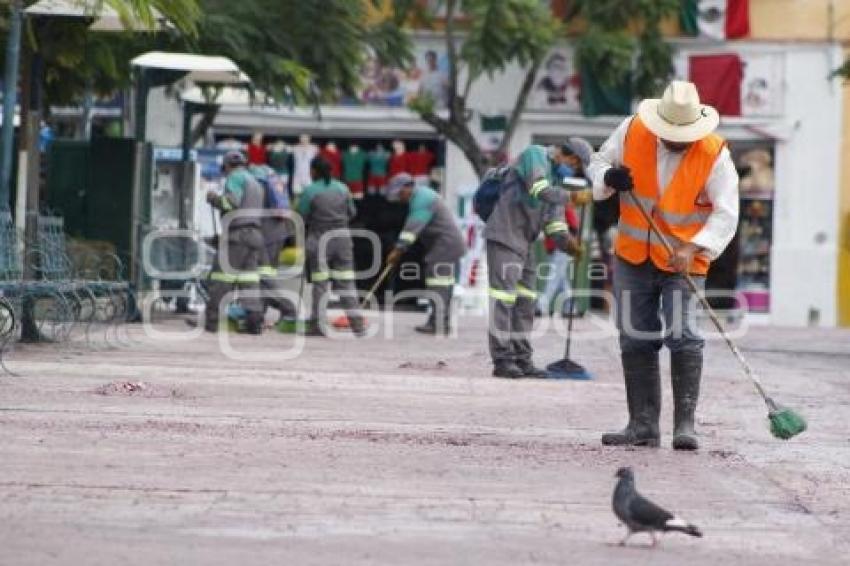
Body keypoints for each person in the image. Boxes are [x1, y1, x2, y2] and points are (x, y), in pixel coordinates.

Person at [587, 81, 739, 451]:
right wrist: (608, 178)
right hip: (633, 255)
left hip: (684, 260)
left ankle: (684, 425)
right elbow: (598, 161)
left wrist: (694, 246)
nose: (677, 141)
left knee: (684, 335)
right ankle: (642, 425)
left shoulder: (714, 153)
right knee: (634, 336)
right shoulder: (632, 130)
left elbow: (726, 212)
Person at [485, 145, 586, 379]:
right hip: (504, 235)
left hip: (526, 243)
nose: (572, 171)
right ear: (565, 154)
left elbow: (555, 225)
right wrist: (572, 197)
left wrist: (569, 245)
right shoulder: (534, 155)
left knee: (527, 301)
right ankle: (502, 360)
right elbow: (538, 189)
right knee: (504, 299)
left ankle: (522, 359)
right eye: (574, 165)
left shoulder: (558, 184)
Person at [385, 173, 466, 335]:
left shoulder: (422, 198)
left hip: (445, 246)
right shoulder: (422, 196)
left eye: (400, 194)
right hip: (445, 246)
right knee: (442, 284)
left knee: (439, 284)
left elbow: (412, 228)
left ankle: (438, 324)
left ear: (407, 187)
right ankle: (439, 322)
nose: (400, 199)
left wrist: (397, 250)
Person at [296, 157, 366, 337]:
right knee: (346, 283)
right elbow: (352, 212)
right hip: (343, 240)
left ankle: (318, 326)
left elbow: (300, 216)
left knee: (320, 284)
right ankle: (357, 325)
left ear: (313, 172)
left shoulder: (310, 191)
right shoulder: (343, 188)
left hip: (320, 240)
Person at [203, 151, 266, 334]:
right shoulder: (255, 181)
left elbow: (231, 203)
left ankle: (212, 322)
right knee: (250, 281)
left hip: (238, 234)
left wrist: (213, 198)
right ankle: (254, 322)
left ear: (226, 166)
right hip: (254, 235)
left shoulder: (235, 177)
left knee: (220, 278)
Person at [537, 138, 594, 318]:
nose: (574, 171)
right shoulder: (561, 196)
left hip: (561, 243)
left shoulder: (560, 195)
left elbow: (569, 224)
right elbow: (568, 224)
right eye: (576, 166)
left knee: (558, 276)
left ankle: (558, 306)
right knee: (558, 276)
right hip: (560, 242)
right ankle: (556, 305)